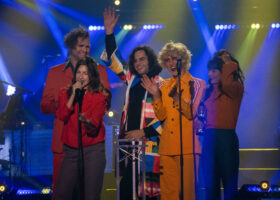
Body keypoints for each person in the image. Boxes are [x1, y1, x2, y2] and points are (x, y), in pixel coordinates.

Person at [40, 27, 111, 197]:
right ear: (71, 47)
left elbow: (106, 102)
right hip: (63, 144)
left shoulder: (99, 71)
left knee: (89, 193)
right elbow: (44, 106)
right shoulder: (55, 72)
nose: (85, 49)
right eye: (80, 45)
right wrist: (65, 100)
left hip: (91, 141)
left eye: (87, 46)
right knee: (62, 193)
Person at [102, 7, 163, 200]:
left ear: (150, 60)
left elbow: (166, 119)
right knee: (127, 191)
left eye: (142, 59)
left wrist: (143, 133)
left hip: (150, 145)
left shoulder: (162, 85)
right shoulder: (131, 79)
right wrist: (109, 33)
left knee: (149, 193)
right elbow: (113, 59)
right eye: (135, 60)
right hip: (128, 144)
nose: (138, 63)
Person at [140, 41, 206, 200]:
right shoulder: (163, 85)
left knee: (188, 194)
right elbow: (161, 116)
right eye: (167, 60)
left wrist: (177, 98)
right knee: (168, 194)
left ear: (183, 59)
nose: (171, 63)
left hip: (188, 149)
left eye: (174, 59)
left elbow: (191, 113)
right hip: (167, 148)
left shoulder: (197, 84)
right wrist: (155, 95)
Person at [54, 57, 109, 200]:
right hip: (71, 150)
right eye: (78, 72)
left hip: (93, 150)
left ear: (91, 76)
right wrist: (73, 94)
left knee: (91, 195)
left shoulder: (99, 96)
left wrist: (87, 122)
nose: (81, 76)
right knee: (61, 193)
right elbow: (62, 115)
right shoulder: (64, 92)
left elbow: (94, 127)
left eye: (85, 73)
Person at [200, 50, 244, 200]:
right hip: (208, 139)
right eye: (209, 71)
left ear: (225, 70)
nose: (210, 74)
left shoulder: (236, 88)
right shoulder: (208, 91)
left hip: (226, 138)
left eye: (215, 70)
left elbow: (226, 82)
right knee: (210, 185)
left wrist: (229, 63)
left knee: (229, 185)